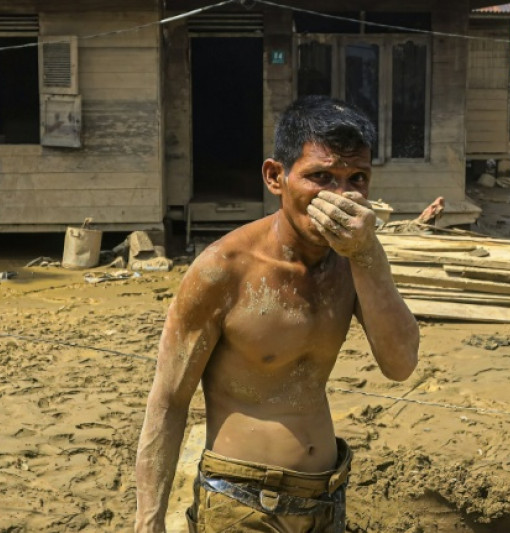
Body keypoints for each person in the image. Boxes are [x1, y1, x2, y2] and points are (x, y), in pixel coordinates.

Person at [134, 95, 420, 533]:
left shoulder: (353, 262)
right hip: (241, 501)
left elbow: (400, 364)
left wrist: (367, 255)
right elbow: (169, 401)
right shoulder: (225, 268)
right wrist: (148, 522)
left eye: (355, 179)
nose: (340, 197)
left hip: (325, 498)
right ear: (276, 177)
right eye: (320, 177)